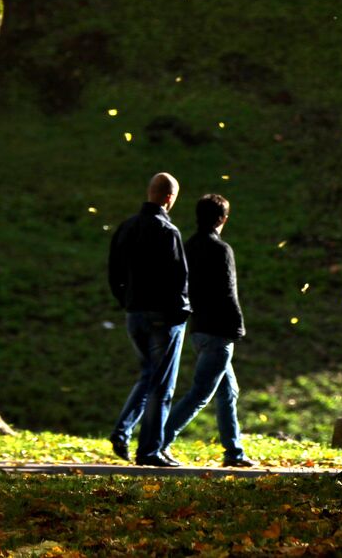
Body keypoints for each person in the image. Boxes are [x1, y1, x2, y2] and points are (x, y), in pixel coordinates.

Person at [160, 193, 254, 467]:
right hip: (219, 332)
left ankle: (234, 452)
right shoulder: (221, 250)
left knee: (228, 392)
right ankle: (160, 441)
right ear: (223, 219)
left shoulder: (188, 247)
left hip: (199, 329)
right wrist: (237, 327)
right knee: (201, 393)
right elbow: (228, 293)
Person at [108, 172, 190, 467]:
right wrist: (180, 314)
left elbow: (114, 272)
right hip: (163, 317)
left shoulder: (127, 227)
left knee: (147, 376)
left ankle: (123, 430)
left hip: (134, 313)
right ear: (169, 197)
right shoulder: (168, 231)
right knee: (162, 386)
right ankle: (149, 450)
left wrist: (127, 302)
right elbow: (179, 279)